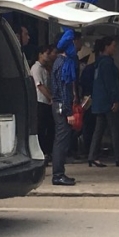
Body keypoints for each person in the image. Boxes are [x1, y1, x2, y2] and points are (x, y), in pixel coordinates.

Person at [88, 36, 119, 167]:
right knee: (115, 129)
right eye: (113, 46)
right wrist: (115, 100)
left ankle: (92, 155)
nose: (115, 48)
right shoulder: (107, 63)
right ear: (106, 47)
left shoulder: (98, 63)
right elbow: (111, 84)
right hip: (108, 101)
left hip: (100, 100)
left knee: (99, 129)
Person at [50, 30, 78, 186]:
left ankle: (59, 173)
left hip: (60, 105)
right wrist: (68, 112)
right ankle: (58, 175)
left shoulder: (60, 61)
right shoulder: (64, 63)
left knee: (61, 139)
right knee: (61, 140)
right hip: (62, 106)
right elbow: (63, 89)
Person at [30, 45, 55, 159]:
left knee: (48, 127)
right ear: (40, 54)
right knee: (41, 127)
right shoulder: (36, 68)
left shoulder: (45, 69)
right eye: (46, 53)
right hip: (40, 101)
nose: (48, 56)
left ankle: (48, 150)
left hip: (46, 102)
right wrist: (50, 97)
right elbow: (39, 85)